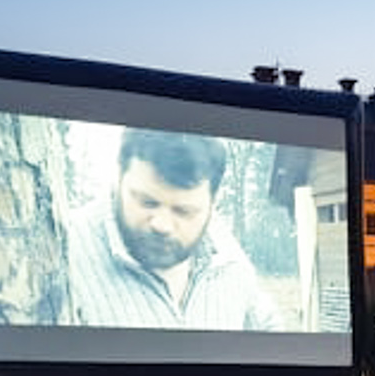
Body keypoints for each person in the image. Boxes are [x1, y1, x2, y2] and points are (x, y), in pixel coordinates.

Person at [66, 128, 281, 331]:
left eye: (184, 211)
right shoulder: (64, 254)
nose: (162, 225)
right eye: (147, 202)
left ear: (212, 203)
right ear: (119, 178)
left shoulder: (226, 252)